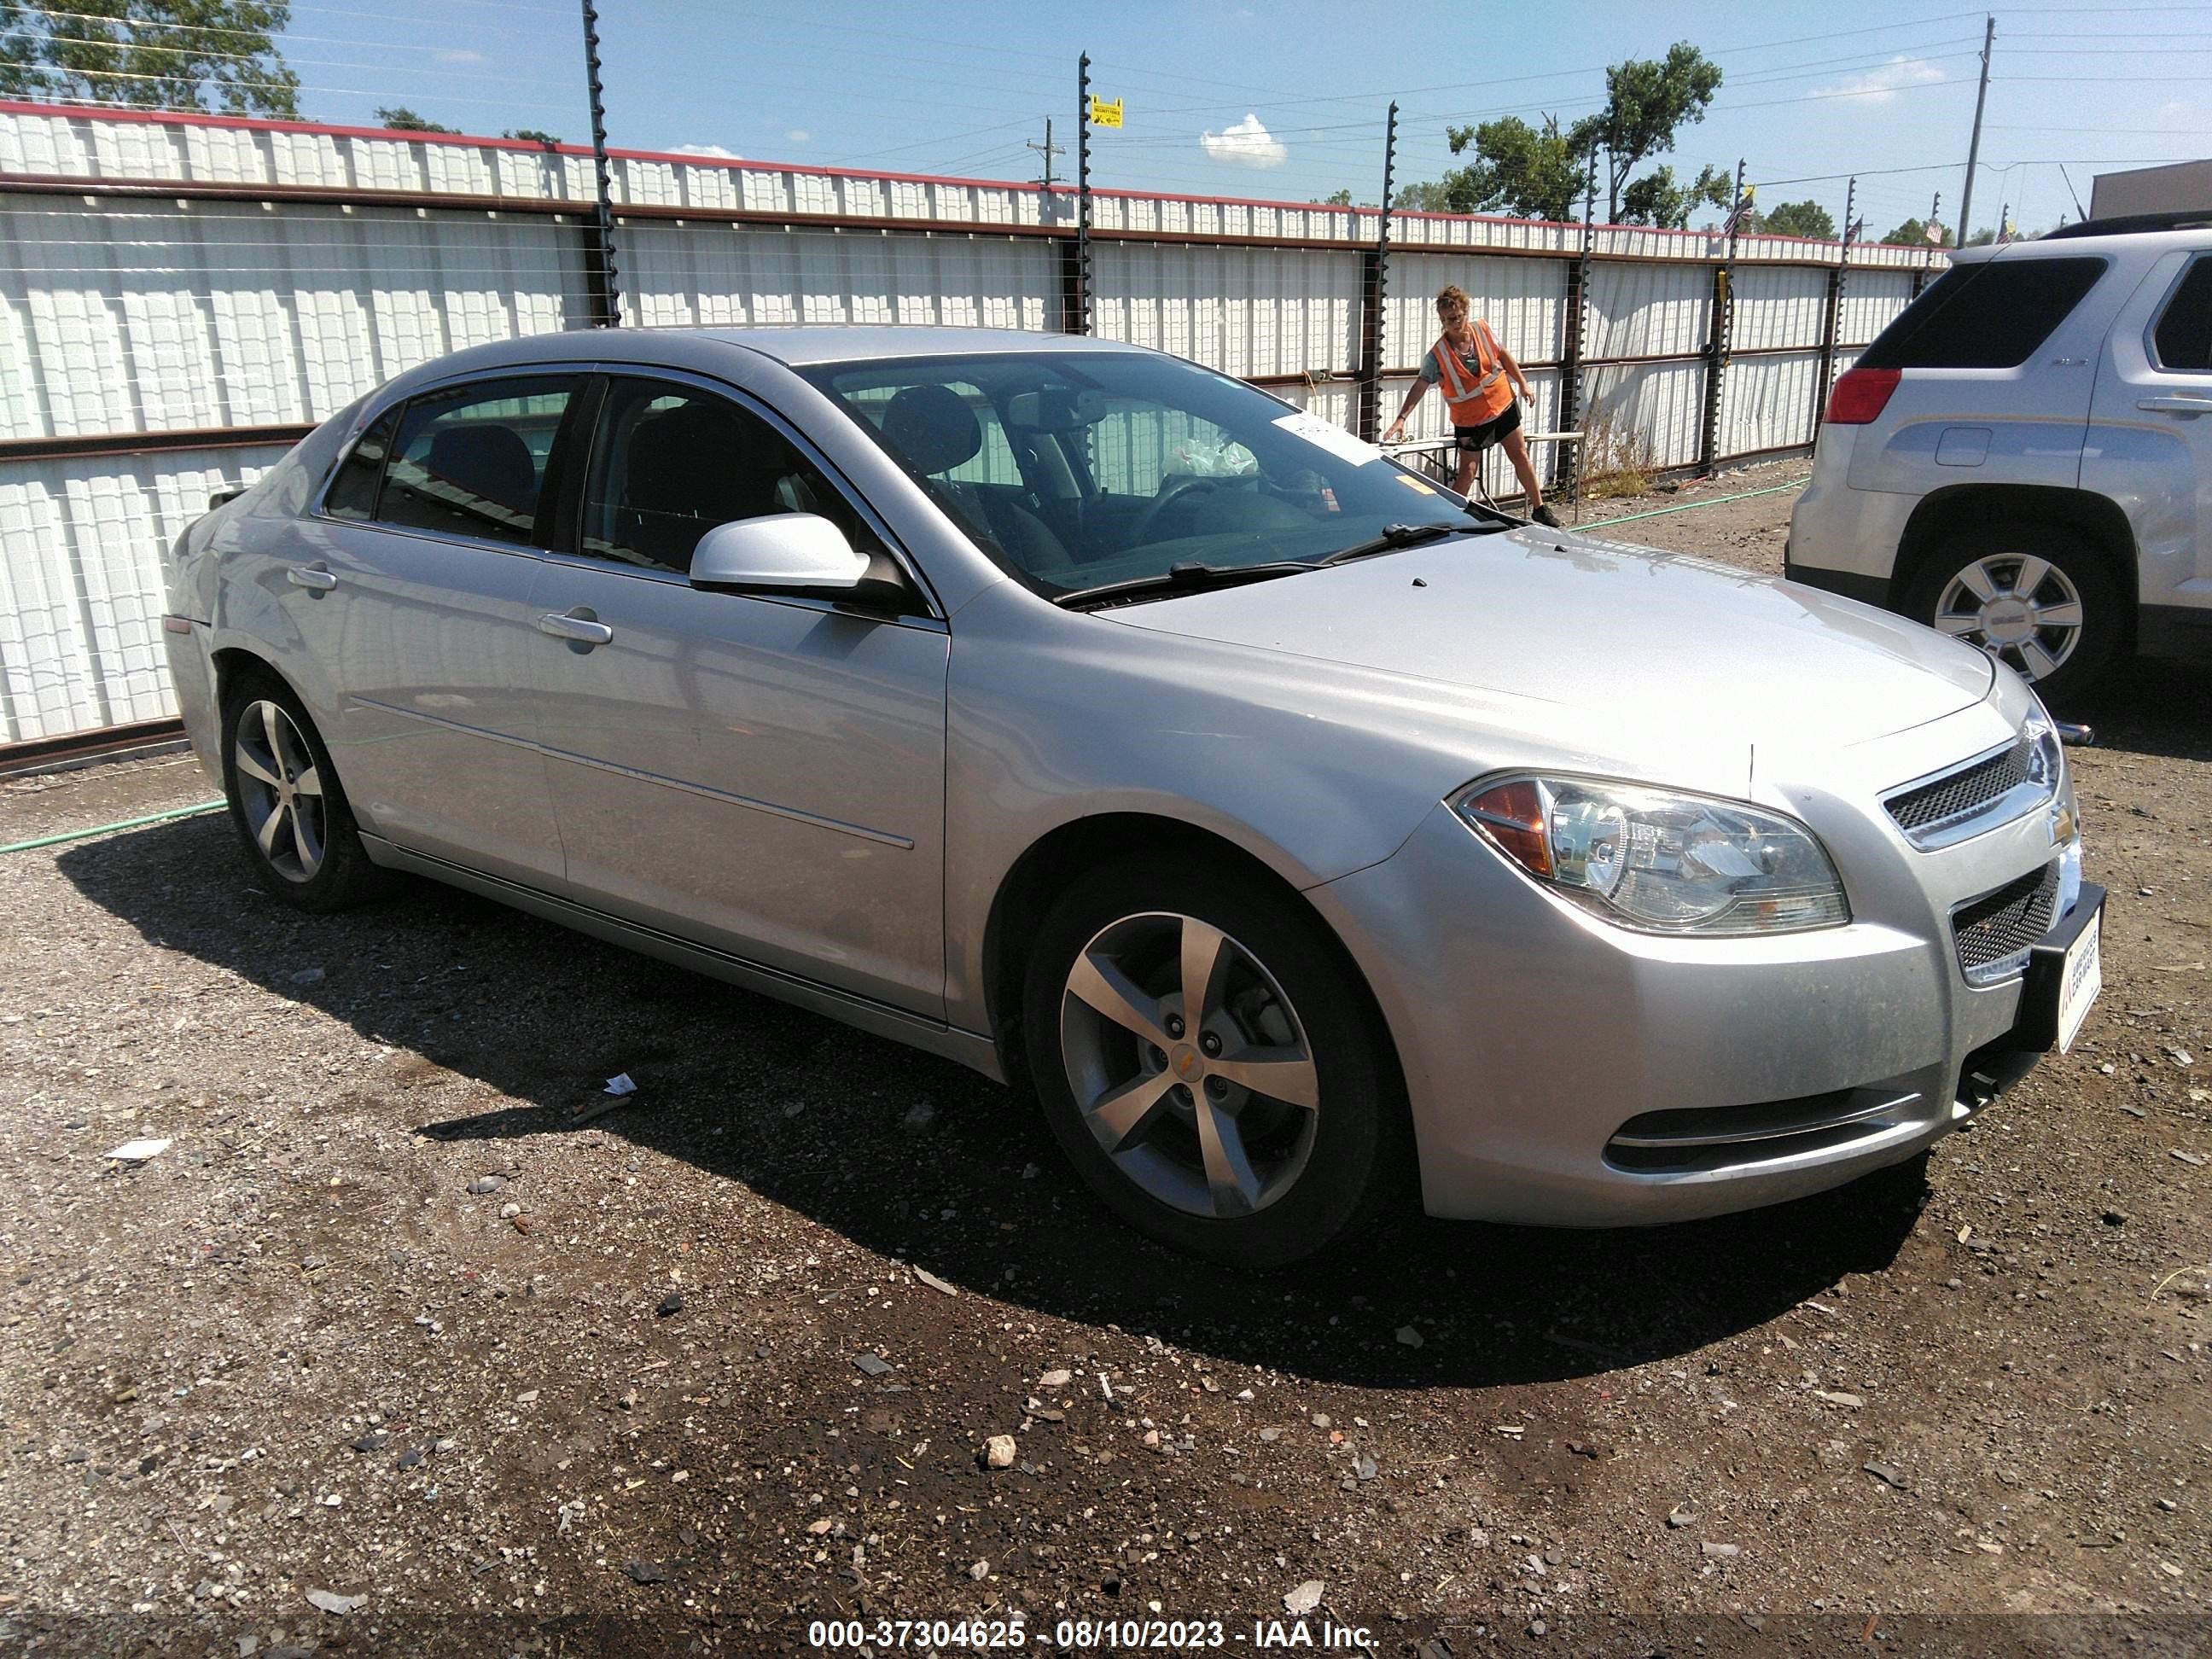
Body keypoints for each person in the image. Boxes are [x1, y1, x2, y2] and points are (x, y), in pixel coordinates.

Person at [1382, 284, 1560, 527]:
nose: (1452, 324)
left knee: (1519, 454)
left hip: (1502, 406)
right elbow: (1421, 383)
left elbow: (1503, 355)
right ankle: (1448, 521)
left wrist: (1522, 383)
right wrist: (1402, 418)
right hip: (1470, 420)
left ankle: (1539, 508)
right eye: (1446, 320)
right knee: (1468, 470)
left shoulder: (1482, 331)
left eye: (1456, 317)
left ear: (1466, 311)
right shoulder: (1438, 354)